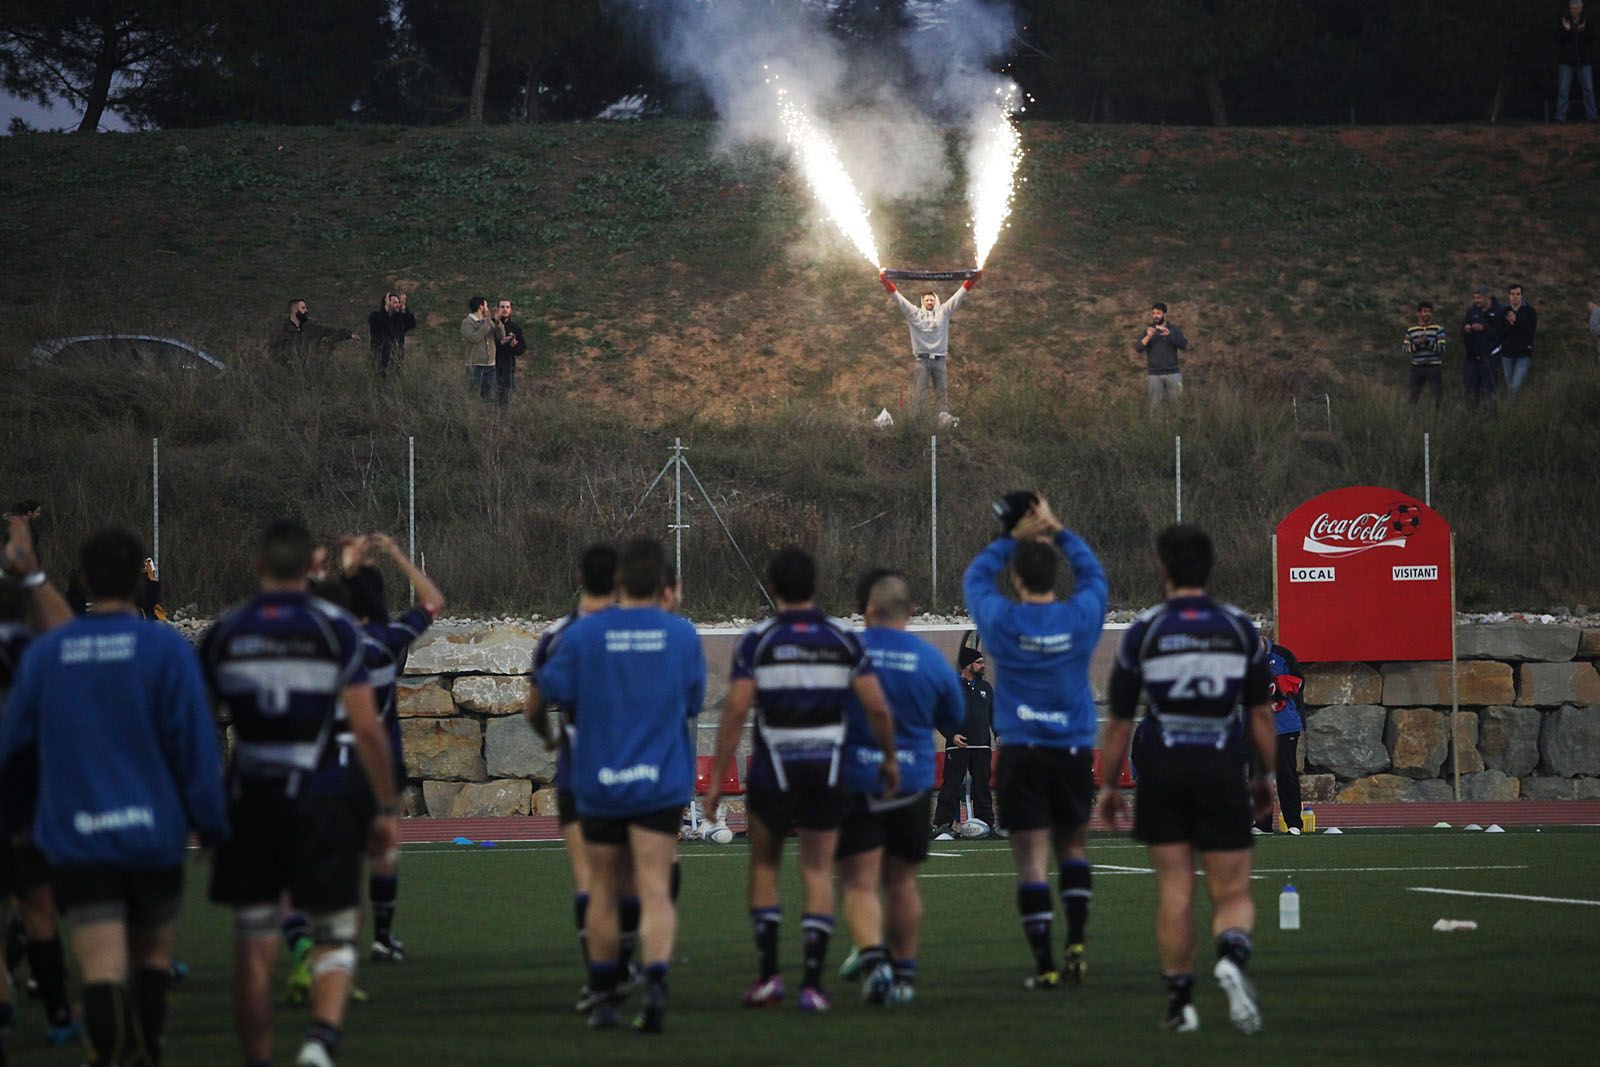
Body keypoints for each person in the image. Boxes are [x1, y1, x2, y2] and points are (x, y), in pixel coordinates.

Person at [0, 527, 229, 1067]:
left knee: (100, 963)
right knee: (152, 959)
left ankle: (107, 1052)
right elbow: (196, 750)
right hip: (154, 835)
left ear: (82, 577)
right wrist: (213, 826)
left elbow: (15, 750)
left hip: (80, 837)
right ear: (139, 581)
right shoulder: (167, 648)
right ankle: (149, 1049)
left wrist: (20, 824)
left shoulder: (49, 653)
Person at [201, 519, 400, 1067]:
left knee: (253, 944)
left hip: (251, 803)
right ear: (314, 567)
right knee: (335, 930)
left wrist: (202, 806)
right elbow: (366, 728)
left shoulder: (225, 631)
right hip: (324, 796)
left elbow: (196, 728)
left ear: (259, 565)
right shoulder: (335, 628)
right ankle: (319, 1041)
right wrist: (385, 806)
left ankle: (258, 1058)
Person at [703, 547, 899, 1013]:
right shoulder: (843, 639)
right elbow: (875, 706)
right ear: (815, 586)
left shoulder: (757, 640)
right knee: (816, 870)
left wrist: (715, 777)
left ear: (772, 589)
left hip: (775, 771)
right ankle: (812, 985)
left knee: (765, 867)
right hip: (826, 771)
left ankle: (770, 977)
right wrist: (890, 757)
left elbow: (736, 708)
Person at [1098, 524, 1276, 1034]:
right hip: (1221, 766)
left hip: (1165, 766)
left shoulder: (1145, 630)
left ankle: (1180, 1005)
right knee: (1232, 890)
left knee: (1175, 888)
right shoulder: (1242, 628)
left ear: (1162, 568)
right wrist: (1263, 775)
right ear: (1210, 566)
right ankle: (1231, 957)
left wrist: (1109, 786)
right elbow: (1260, 718)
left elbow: (1118, 722)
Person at [531, 537, 706, 1033]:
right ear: (664, 585)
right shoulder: (681, 634)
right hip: (659, 779)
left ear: (619, 580)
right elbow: (693, 702)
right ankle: (654, 989)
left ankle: (606, 995)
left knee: (603, 888)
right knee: (654, 888)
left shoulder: (585, 634)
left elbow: (552, 691)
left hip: (600, 778)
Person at [962, 492, 1107, 989]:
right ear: (1053, 577)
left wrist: (1010, 536)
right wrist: (1057, 528)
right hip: (1070, 750)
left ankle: (1045, 964)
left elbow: (975, 579)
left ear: (1019, 580)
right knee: (1073, 849)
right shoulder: (1080, 616)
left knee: (1030, 860)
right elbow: (1093, 576)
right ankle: (1078, 943)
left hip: (1023, 752)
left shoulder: (1002, 621)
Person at [835, 570, 964, 1007]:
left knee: (858, 882)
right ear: (911, 612)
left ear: (866, 611)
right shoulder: (930, 660)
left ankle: (874, 964)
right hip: (912, 783)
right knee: (903, 883)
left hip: (859, 781)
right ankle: (905, 976)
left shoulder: (848, 653)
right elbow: (954, 714)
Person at [522, 543, 627, 1015]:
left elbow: (534, 705)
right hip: (635, 770)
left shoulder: (559, 634)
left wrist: (548, 736)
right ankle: (625, 964)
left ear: (580, 576)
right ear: (620, 579)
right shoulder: (639, 631)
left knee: (589, 878)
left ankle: (600, 978)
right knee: (630, 875)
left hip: (580, 771)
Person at [0, 515, 79, 1058]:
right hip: (19, 791)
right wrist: (29, 571)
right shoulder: (25, 643)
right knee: (38, 904)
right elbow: (67, 635)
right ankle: (55, 1011)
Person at [878, 270, 980, 425]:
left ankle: (943, 420)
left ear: (936, 301)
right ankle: (919, 422)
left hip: (940, 359)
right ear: (922, 302)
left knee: (942, 392)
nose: (929, 302)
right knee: (920, 393)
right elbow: (898, 299)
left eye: (932, 299)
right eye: (926, 300)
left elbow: (959, 296)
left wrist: (971, 281)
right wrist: (886, 282)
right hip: (922, 360)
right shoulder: (914, 314)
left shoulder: (944, 312)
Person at [930, 645, 996, 840]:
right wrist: (952, 736)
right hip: (958, 745)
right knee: (951, 785)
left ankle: (986, 824)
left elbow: (994, 714)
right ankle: (942, 825)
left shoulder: (986, 688)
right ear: (968, 665)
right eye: (979, 662)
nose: (983, 665)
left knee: (982, 785)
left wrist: (998, 733)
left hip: (982, 745)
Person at [1251, 633, 1305, 835]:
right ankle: (1262, 824)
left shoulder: (1283, 655)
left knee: (1286, 774)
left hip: (1285, 726)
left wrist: (1275, 685)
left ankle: (1294, 823)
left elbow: (1298, 682)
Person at [1136, 302, 1189, 412]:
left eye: (1158, 313)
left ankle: (1177, 428)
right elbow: (1138, 348)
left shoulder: (1174, 329)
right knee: (1154, 409)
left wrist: (1170, 335)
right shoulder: (1148, 331)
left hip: (1173, 373)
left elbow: (1184, 345)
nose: (1155, 316)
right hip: (1154, 375)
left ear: (1165, 314)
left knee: (1178, 407)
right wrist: (1148, 336)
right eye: (1153, 313)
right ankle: (1156, 429)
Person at [276, 300, 359, 367]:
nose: (306, 310)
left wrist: (349, 334)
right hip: (288, 370)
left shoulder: (312, 326)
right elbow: (273, 349)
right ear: (294, 310)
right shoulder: (282, 328)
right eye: (303, 308)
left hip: (311, 369)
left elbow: (331, 332)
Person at [1461, 286, 1501, 409]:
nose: (1476, 301)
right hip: (1472, 357)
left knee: (1489, 390)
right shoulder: (1471, 311)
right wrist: (1466, 328)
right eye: (1474, 298)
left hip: (1490, 357)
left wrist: (1484, 328)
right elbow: (1462, 330)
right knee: (1471, 389)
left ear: (1487, 297)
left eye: (1479, 298)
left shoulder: (1499, 311)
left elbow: (1501, 334)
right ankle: (1471, 416)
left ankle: (1491, 416)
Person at [460, 296, 506, 402]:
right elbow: (474, 338)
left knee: (490, 398)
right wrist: (486, 325)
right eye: (486, 306)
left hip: (490, 366)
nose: (488, 309)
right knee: (473, 397)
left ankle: (488, 417)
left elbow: (500, 337)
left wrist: (498, 323)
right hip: (475, 365)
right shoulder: (467, 323)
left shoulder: (488, 322)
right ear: (481, 307)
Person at [1557, 1, 1597, 122]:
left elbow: (1590, 40)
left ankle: (1592, 116)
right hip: (1566, 61)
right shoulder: (1564, 21)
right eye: (1571, 8)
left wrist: (1581, 31)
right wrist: (1568, 31)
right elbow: (1560, 41)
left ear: (1580, 9)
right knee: (1563, 90)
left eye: (1576, 8)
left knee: (1588, 89)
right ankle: (1560, 117)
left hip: (1583, 61)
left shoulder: (1587, 21)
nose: (1573, 11)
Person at [1403, 301, 1447, 409]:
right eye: (1425, 311)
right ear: (1419, 313)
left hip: (1433, 366)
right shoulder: (1411, 330)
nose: (1427, 314)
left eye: (1430, 312)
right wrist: (1417, 345)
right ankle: (1411, 419)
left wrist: (1428, 343)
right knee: (1413, 395)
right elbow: (1405, 348)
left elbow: (1442, 348)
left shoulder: (1438, 329)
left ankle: (1438, 418)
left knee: (1437, 396)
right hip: (1417, 367)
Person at [1500, 284, 1537, 396]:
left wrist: (1516, 321)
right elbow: (1499, 332)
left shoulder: (1530, 311)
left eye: (1517, 294)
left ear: (1522, 296)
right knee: (1510, 386)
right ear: (1509, 296)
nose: (1515, 296)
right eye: (1512, 294)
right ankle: (1514, 411)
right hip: (1507, 354)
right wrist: (1509, 324)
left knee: (1515, 386)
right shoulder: (1503, 311)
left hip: (1523, 354)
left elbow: (1530, 329)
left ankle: (1511, 410)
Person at [366, 293, 416, 376]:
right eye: (395, 302)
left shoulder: (398, 319)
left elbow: (411, 324)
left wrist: (403, 308)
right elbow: (378, 323)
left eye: (398, 302)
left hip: (396, 361)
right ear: (387, 303)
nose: (398, 305)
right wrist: (386, 309)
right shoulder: (375, 316)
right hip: (379, 360)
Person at [492, 299, 527, 405]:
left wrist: (514, 346)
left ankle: (505, 420)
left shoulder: (515, 328)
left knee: (507, 398)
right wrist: (501, 343)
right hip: (492, 366)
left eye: (507, 307)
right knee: (492, 397)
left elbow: (522, 349)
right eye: (502, 307)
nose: (505, 310)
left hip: (508, 366)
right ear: (497, 309)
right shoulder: (491, 325)